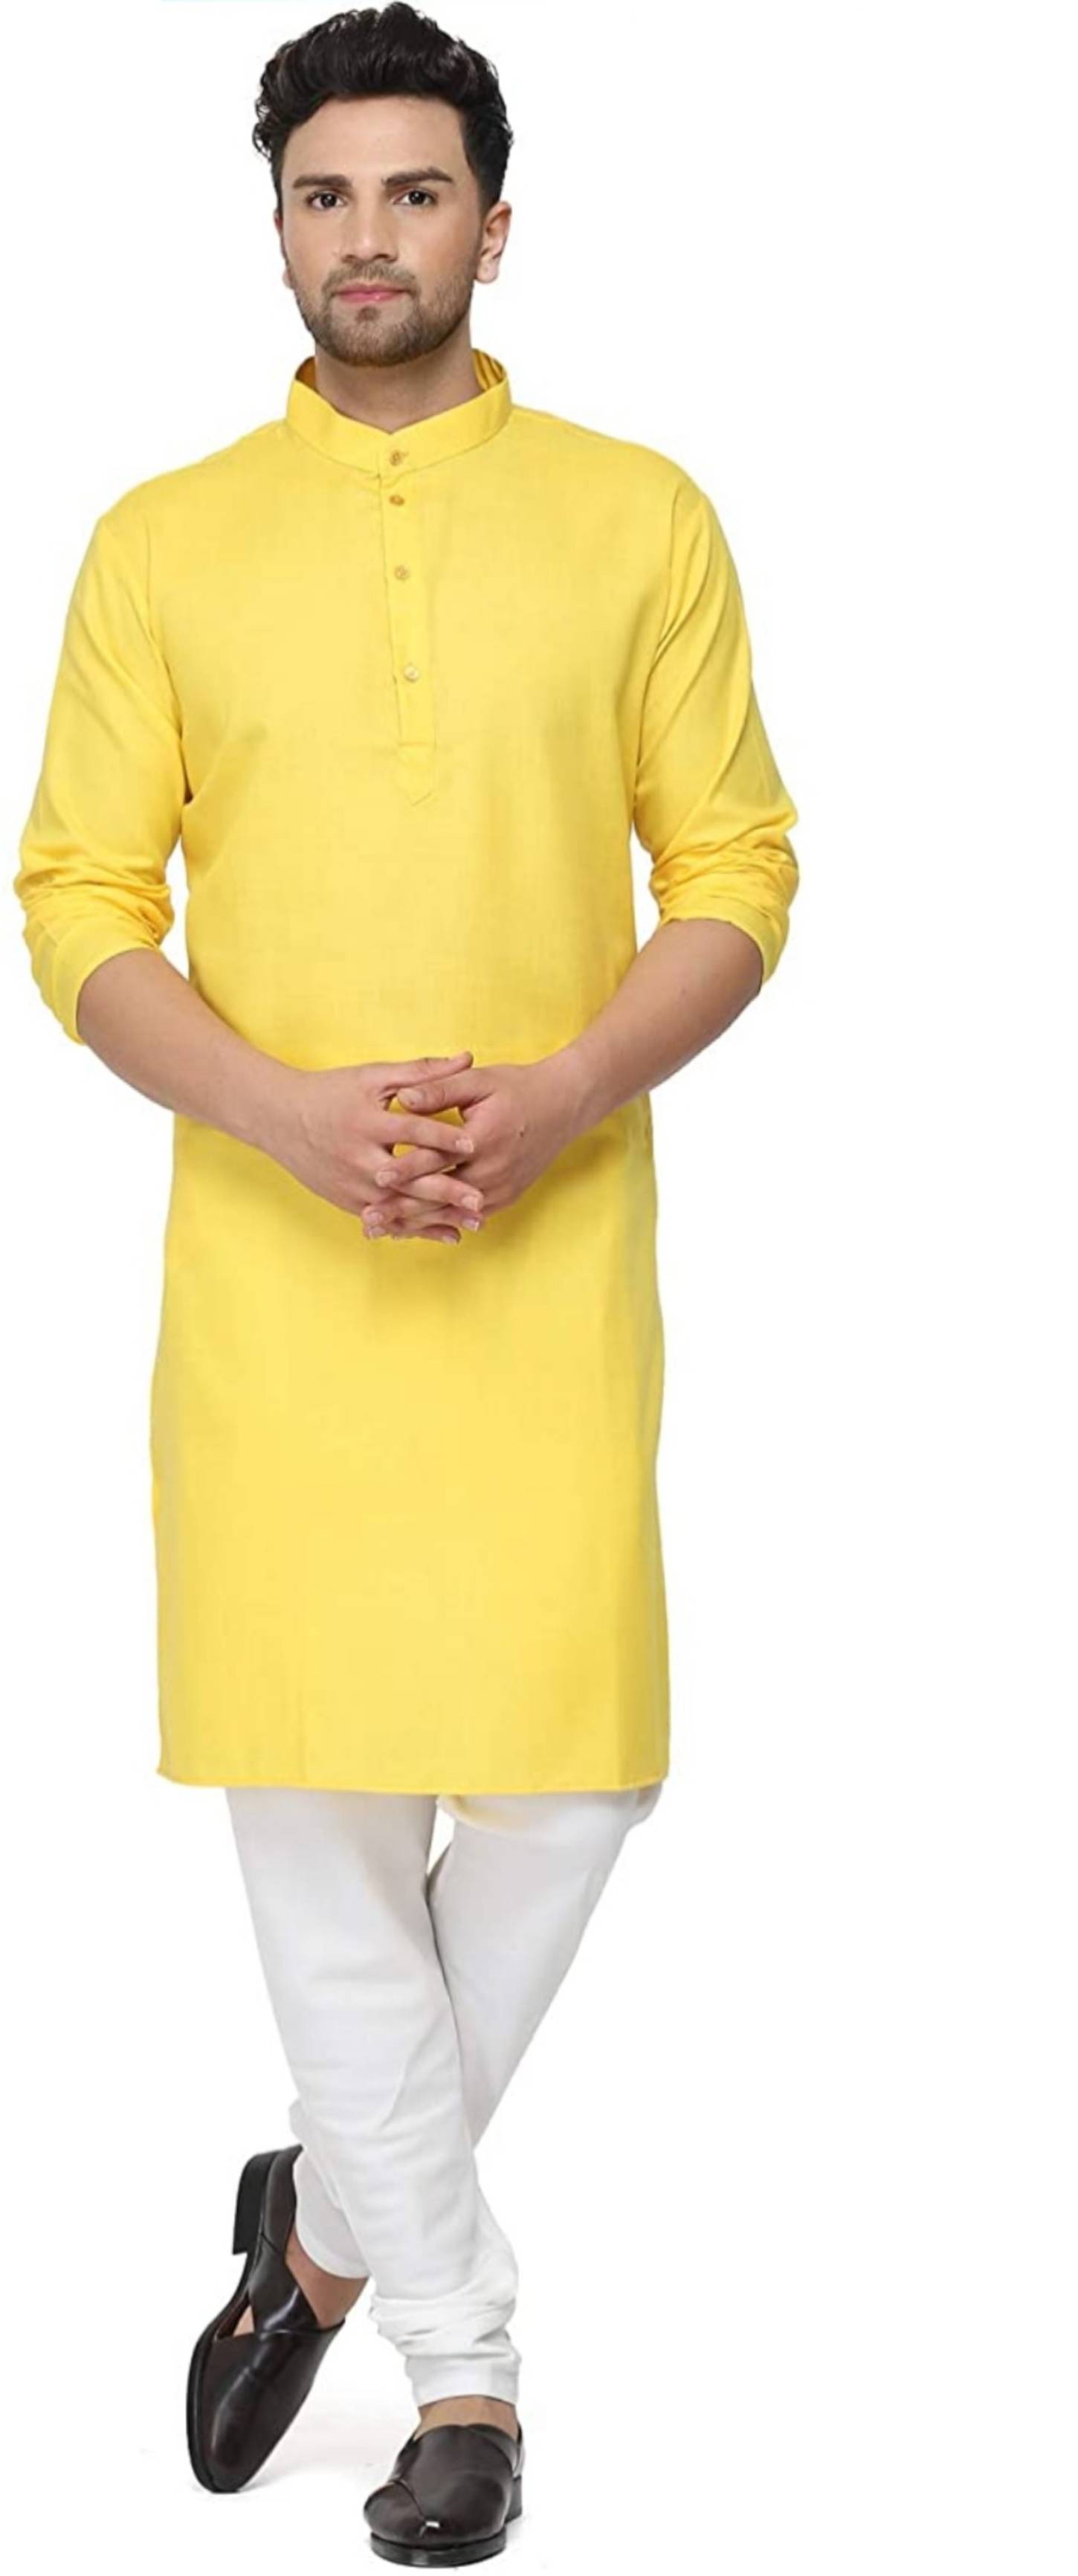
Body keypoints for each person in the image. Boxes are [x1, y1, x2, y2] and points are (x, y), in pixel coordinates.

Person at [12, 4, 799, 2562]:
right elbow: (78, 901)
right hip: (276, 1283)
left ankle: (325, 2224)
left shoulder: (636, 517)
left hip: (549, 1259)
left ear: (492, 220)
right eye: (325, 194)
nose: (369, 235)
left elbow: (737, 868)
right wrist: (288, 1119)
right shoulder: (161, 541)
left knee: (575, 1781)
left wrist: (560, 1094)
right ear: (277, 228)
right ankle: (460, 2370)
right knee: (326, 1815)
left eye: (414, 190)